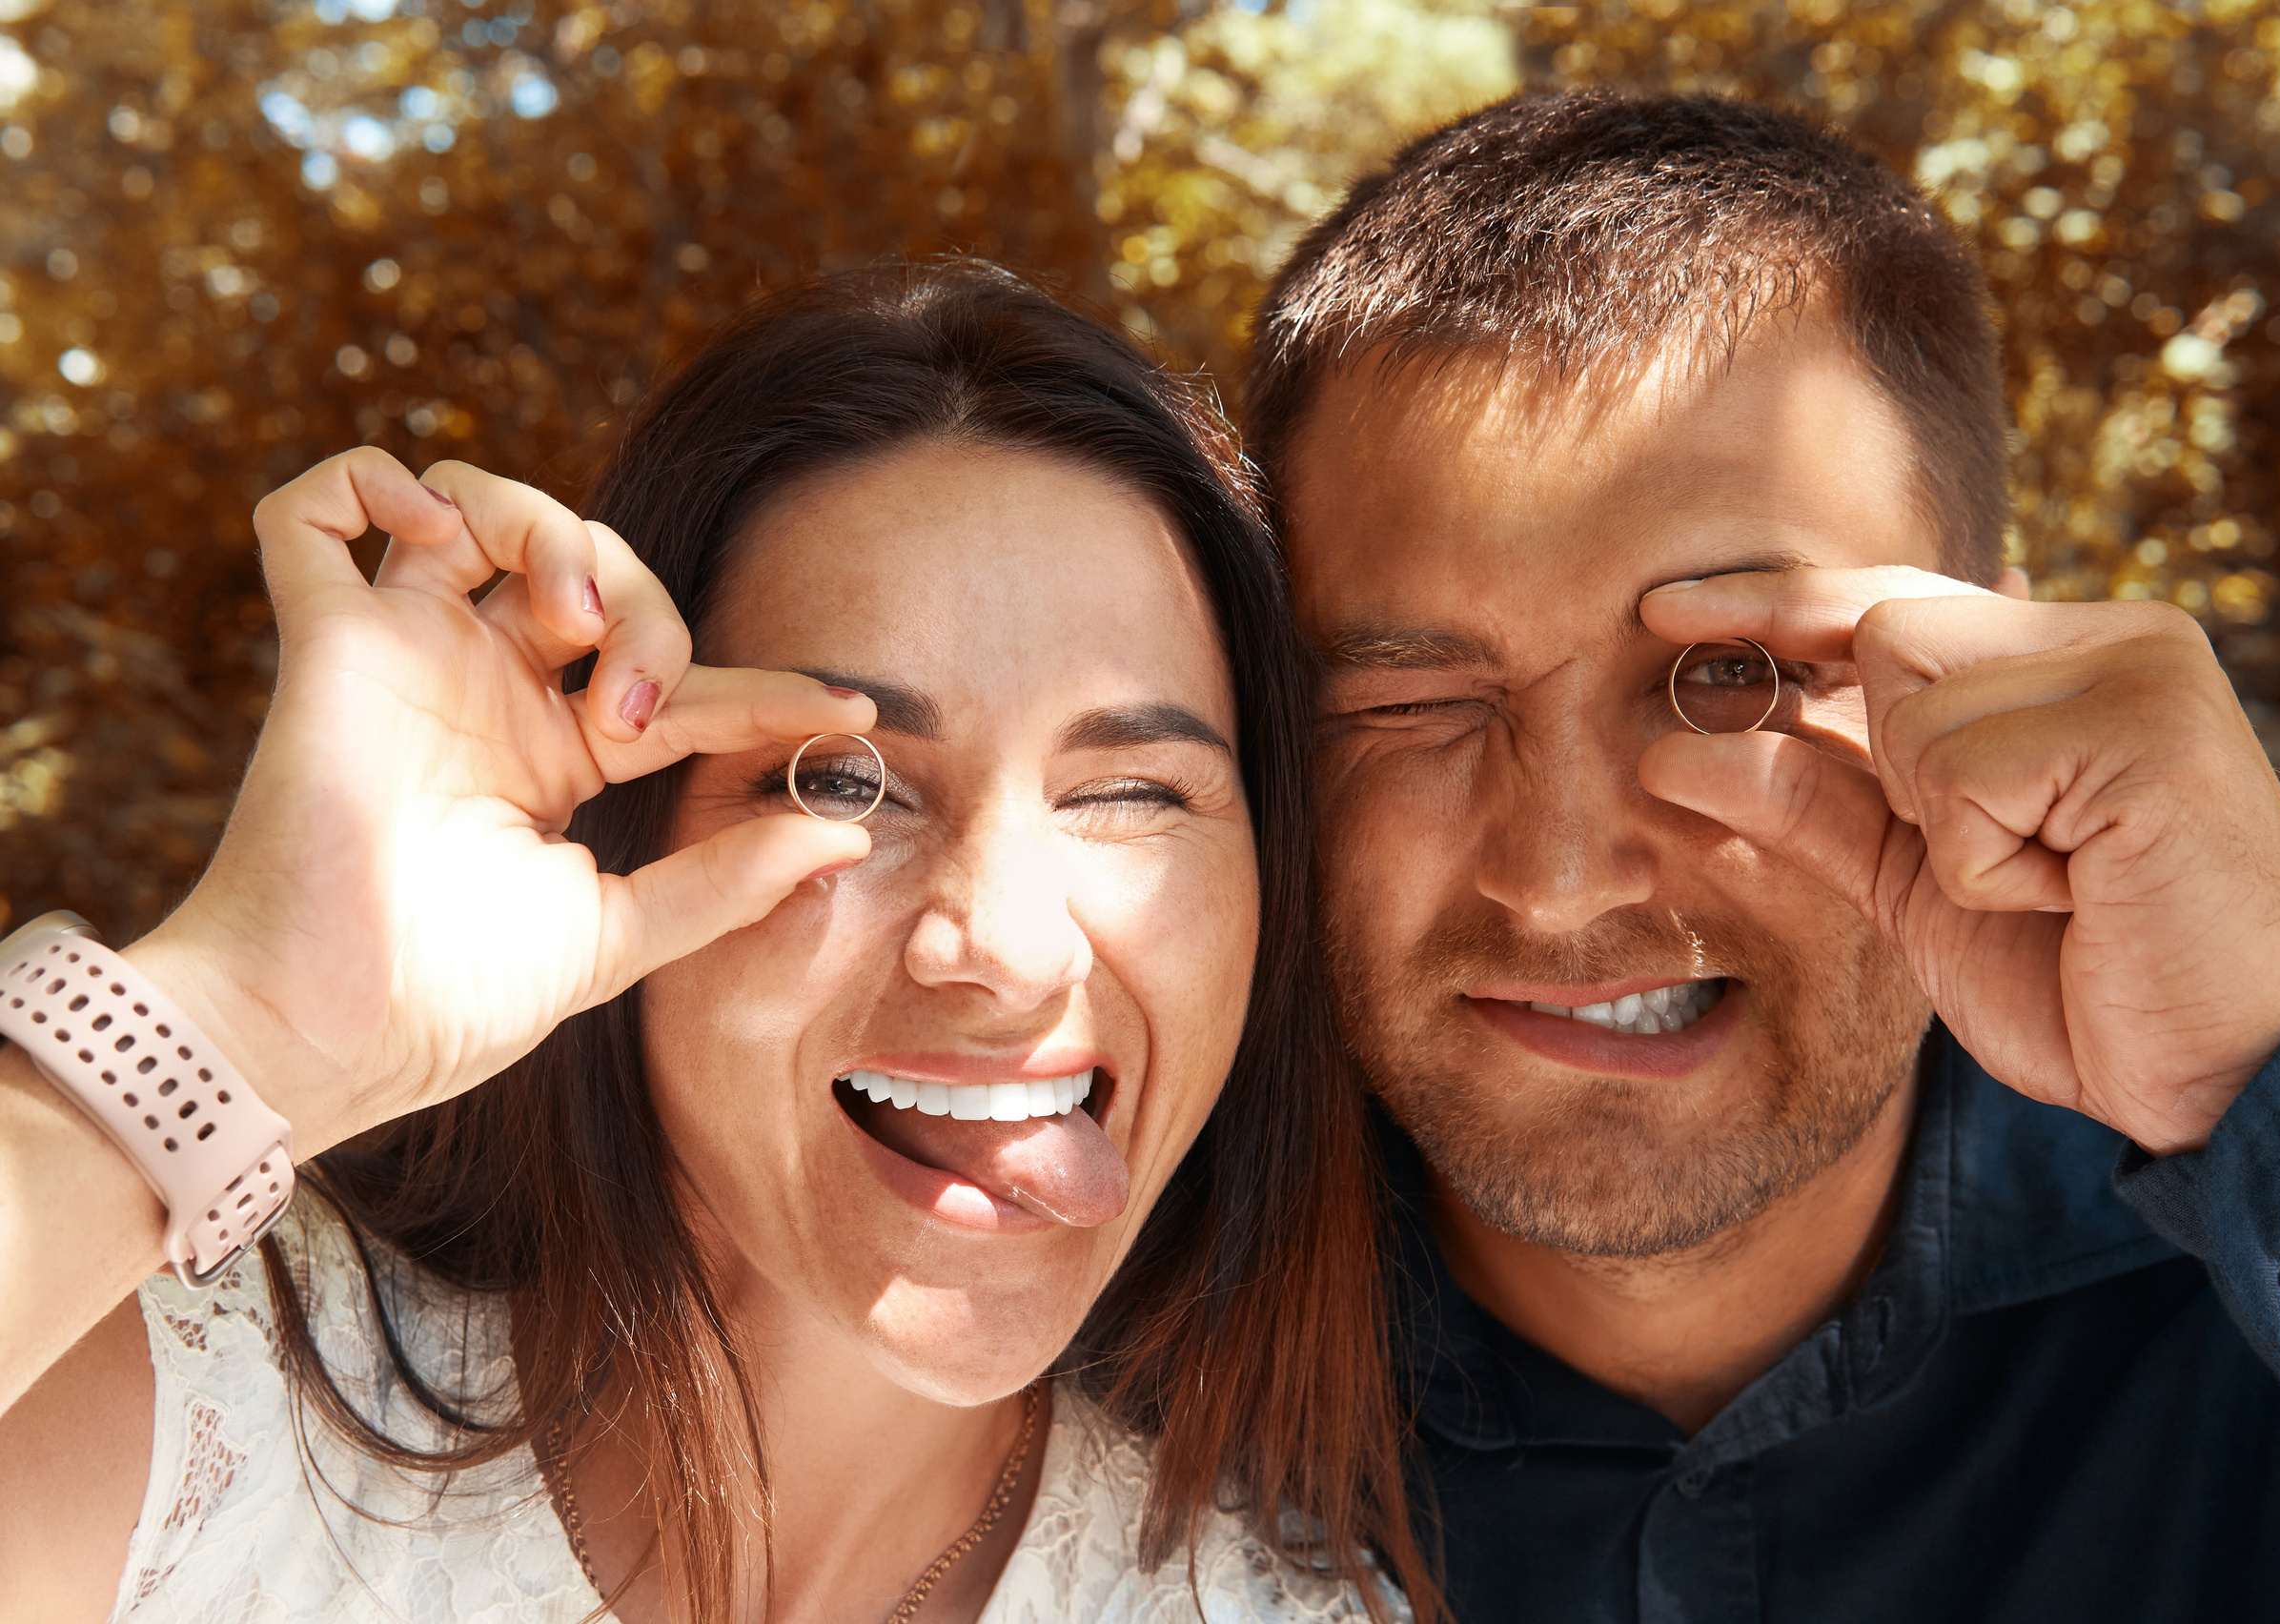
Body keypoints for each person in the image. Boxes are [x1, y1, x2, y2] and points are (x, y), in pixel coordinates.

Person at [0, 264, 1430, 1622]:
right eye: (843, 782)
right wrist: (252, 1014)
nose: (1006, 944)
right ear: (626, 832)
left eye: (1128, 793)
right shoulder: (180, 1412)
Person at [1244, 91, 2280, 1621]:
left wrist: (2269, 1081)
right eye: (1412, 705)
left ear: (1999, 660)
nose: (1559, 879)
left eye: (1733, 674)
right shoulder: (1101, 1336)